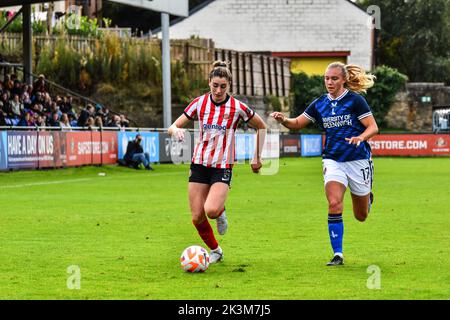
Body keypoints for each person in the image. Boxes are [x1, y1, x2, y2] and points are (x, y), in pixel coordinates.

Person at [271, 62, 379, 266]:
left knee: (361, 216)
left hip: (358, 160)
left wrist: (361, 138)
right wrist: (283, 119)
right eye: (326, 78)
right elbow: (296, 123)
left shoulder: (356, 101)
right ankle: (338, 254)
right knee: (334, 203)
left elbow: (373, 127)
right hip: (333, 159)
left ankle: (368, 198)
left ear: (344, 80)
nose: (329, 82)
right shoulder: (320, 103)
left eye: (334, 78)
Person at [168, 61, 267, 264]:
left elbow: (262, 126)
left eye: (223, 86)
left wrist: (257, 156)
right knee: (197, 217)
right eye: (215, 85)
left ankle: (220, 211)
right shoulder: (199, 103)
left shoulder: (237, 108)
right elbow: (173, 125)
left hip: (222, 165)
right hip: (199, 164)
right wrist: (176, 130)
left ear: (229, 85)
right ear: (209, 83)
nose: (218, 90)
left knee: (211, 210)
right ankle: (216, 250)